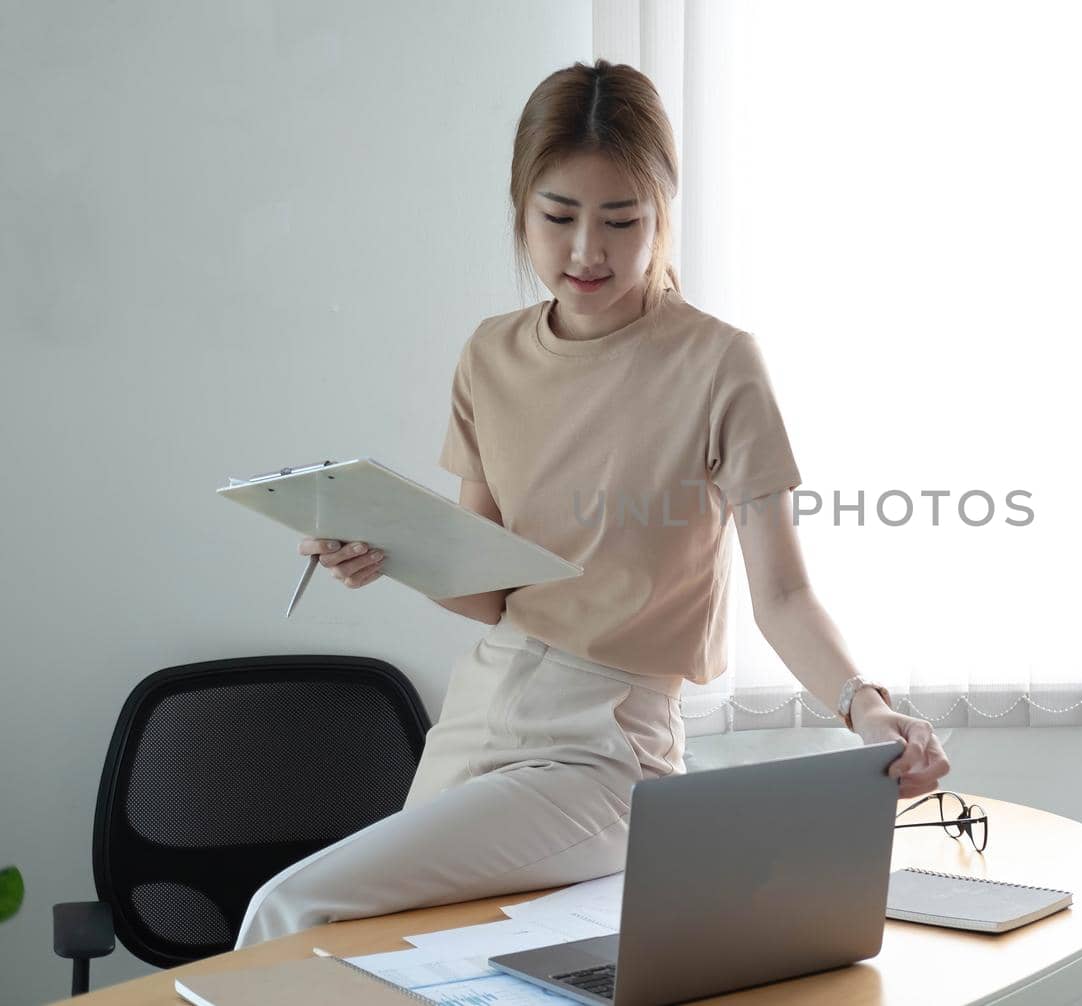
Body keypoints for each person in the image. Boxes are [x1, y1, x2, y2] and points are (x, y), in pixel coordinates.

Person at [234, 58, 950, 948]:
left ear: (662, 217)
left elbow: (785, 595)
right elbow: (487, 588)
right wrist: (384, 551)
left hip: (605, 744)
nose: (587, 252)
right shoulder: (490, 355)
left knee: (290, 908)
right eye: (559, 217)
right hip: (482, 709)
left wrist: (866, 705)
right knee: (367, 955)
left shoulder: (720, 364)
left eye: (622, 220)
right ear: (520, 210)